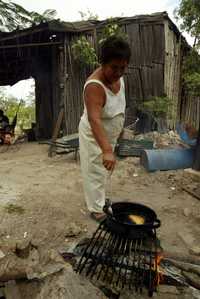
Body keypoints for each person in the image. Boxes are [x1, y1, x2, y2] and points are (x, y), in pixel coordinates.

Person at [79, 36, 131, 222]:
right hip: (95, 134)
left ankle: (100, 199)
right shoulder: (94, 86)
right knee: (94, 170)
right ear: (103, 63)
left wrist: (120, 129)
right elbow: (94, 119)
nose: (118, 72)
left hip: (109, 133)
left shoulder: (120, 78)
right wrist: (107, 149)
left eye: (122, 68)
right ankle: (96, 209)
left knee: (105, 169)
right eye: (114, 67)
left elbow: (117, 104)